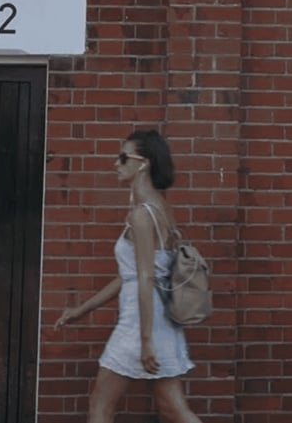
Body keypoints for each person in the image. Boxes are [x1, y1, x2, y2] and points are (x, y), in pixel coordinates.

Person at [56, 129, 202, 423]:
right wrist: (81, 310)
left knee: (101, 406)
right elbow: (131, 276)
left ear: (143, 163)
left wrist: (145, 339)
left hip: (140, 323)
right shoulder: (161, 209)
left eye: (123, 157)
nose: (116, 163)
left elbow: (145, 278)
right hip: (160, 320)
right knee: (173, 409)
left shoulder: (141, 215)